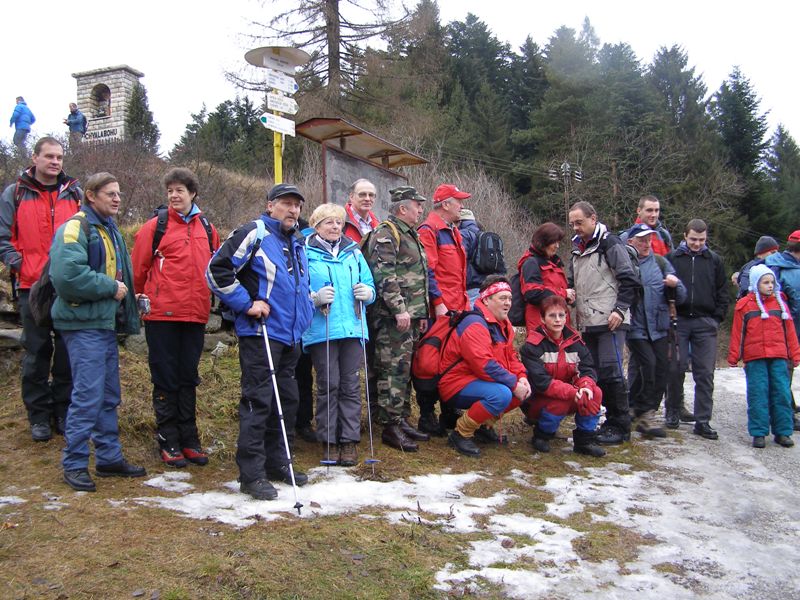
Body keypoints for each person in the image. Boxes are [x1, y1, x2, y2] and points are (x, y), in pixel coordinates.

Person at [206, 183, 313, 501]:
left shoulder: (297, 241)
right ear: (270, 206)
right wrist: (246, 303)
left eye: (297, 205)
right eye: (286, 203)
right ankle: (251, 474)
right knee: (259, 401)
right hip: (261, 333)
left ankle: (278, 462)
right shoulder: (254, 232)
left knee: (287, 400)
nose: (293, 210)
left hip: (291, 334)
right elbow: (217, 270)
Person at [50, 172, 146, 492]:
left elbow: (117, 275)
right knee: (88, 396)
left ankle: (108, 458)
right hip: (82, 325)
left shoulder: (109, 229)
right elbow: (67, 276)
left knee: (107, 395)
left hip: (102, 325)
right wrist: (111, 288)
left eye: (119, 193)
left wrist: (129, 298)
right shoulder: (76, 227)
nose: (117, 198)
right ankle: (75, 464)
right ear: (91, 196)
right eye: (110, 194)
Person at [132, 168, 220, 468]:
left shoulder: (207, 228)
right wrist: (140, 298)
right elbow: (138, 268)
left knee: (188, 377)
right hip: (162, 315)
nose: (173, 195)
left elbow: (215, 267)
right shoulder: (154, 227)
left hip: (195, 314)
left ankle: (189, 439)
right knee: (165, 377)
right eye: (170, 190)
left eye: (179, 190)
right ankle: (168, 439)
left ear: (192, 193)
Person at [0, 137, 82, 441]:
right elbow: (3, 237)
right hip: (31, 285)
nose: (55, 162)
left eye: (59, 157)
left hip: (68, 285)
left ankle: (63, 412)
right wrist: (19, 264)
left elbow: (87, 233)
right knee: (36, 352)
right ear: (34, 158)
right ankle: (38, 416)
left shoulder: (74, 192)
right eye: (49, 156)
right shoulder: (16, 192)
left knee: (67, 353)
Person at [303, 203, 375, 466]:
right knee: (328, 384)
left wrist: (368, 294)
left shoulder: (353, 252)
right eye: (328, 222)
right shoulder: (305, 252)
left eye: (338, 222)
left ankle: (349, 441)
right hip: (321, 329)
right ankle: (329, 441)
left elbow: (369, 283)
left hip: (353, 327)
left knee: (350, 385)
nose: (335, 227)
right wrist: (314, 298)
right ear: (316, 226)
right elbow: (297, 288)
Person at [363, 186, 430, 452]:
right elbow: (385, 275)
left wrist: (420, 313)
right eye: (417, 205)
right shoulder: (386, 233)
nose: (421, 210)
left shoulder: (410, 233)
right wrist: (399, 309)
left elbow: (417, 278)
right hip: (392, 317)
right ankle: (389, 426)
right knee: (391, 370)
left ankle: (401, 419)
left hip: (409, 316)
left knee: (403, 370)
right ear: (403, 208)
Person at [568, 201, 640, 445]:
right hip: (587, 321)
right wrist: (569, 292)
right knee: (595, 372)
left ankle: (620, 426)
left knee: (612, 371)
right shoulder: (576, 248)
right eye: (572, 224)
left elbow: (629, 280)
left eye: (579, 222)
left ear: (593, 218)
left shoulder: (610, 243)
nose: (576, 228)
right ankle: (607, 422)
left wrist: (620, 310)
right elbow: (573, 281)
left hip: (611, 320)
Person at [435, 275, 530, 457]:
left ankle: (483, 426)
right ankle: (461, 433)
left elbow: (510, 356)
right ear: (486, 299)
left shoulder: (503, 324)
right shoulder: (475, 324)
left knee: (522, 390)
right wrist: (513, 384)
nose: (508, 303)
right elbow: (484, 365)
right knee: (502, 394)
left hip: (477, 380)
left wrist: (522, 376)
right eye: (502, 298)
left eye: (510, 298)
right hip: (455, 384)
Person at [666, 219, 729, 438]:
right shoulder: (672, 258)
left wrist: (716, 318)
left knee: (705, 373)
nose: (697, 243)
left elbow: (722, 291)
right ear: (685, 236)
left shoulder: (714, 260)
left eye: (701, 240)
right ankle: (672, 410)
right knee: (676, 368)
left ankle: (703, 421)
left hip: (705, 322)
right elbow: (663, 287)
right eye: (693, 239)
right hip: (679, 321)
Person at [416, 183, 471, 436]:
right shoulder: (430, 231)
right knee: (429, 362)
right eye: (458, 201)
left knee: (454, 361)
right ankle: (427, 415)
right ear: (446, 204)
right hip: (440, 312)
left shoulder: (453, 231)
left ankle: (450, 411)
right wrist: (438, 303)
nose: (462, 206)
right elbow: (428, 271)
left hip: (458, 309)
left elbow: (458, 274)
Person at [520, 295, 606, 456]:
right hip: (537, 399)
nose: (558, 320)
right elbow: (541, 382)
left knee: (595, 392)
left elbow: (587, 369)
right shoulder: (531, 346)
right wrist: (574, 392)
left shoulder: (575, 342)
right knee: (561, 401)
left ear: (566, 317)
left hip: (570, 393)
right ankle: (542, 434)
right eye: (552, 315)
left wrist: (585, 386)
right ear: (542, 319)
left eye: (561, 315)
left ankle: (585, 440)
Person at [625, 224, 687, 437]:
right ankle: (638, 410)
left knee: (662, 370)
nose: (646, 244)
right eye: (641, 240)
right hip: (635, 327)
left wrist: (675, 285)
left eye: (649, 239)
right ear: (631, 242)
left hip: (660, 327)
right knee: (649, 366)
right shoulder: (625, 264)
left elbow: (681, 296)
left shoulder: (660, 263)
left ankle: (643, 412)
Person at [728, 265, 799, 448]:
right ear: (755, 283)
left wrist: (794, 353)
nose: (770, 286)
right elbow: (738, 333)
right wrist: (734, 355)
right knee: (758, 394)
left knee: (781, 393)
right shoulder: (745, 305)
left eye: (772, 282)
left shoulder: (780, 304)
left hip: (779, 356)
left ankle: (783, 432)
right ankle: (759, 433)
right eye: (765, 282)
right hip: (755, 357)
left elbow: (790, 331)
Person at [766, 230, 800, 432]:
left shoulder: (773, 264)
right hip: (788, 329)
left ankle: (786, 408)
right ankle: (784, 416)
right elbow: (796, 305)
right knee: (784, 371)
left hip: (776, 327)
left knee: (783, 371)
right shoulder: (791, 271)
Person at [518, 222, 575, 333]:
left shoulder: (554, 263)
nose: (557, 246)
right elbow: (533, 293)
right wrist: (564, 293)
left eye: (558, 242)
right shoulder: (531, 263)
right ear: (543, 242)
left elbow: (554, 290)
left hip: (558, 323)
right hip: (540, 325)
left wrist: (569, 298)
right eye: (554, 242)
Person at [343, 178, 379, 244]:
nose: (367, 199)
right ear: (351, 196)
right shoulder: (340, 221)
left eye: (371, 195)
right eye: (362, 194)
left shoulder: (379, 224)